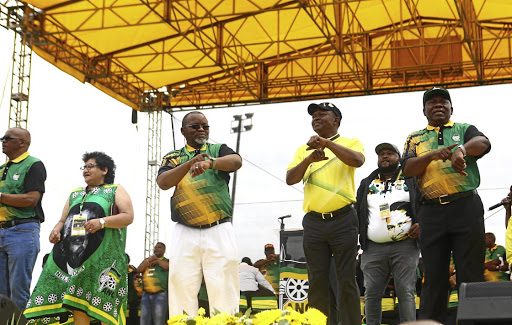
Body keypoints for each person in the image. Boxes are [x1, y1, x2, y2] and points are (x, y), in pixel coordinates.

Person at [402, 87, 491, 324]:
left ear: (452, 108)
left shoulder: (464, 129)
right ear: (424, 110)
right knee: (434, 275)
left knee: (470, 273)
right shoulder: (414, 138)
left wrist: (460, 149)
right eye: (432, 102)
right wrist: (431, 155)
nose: (438, 105)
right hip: (431, 212)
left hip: (466, 207)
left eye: (444, 102)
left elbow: (483, 142)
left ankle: (476, 321)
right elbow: (408, 168)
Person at [24, 151, 134, 325]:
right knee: (77, 304)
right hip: (76, 260)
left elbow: (128, 216)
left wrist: (102, 222)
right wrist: (56, 230)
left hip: (104, 260)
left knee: (105, 304)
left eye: (91, 166)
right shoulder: (75, 194)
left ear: (105, 170)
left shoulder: (114, 190)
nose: (85, 170)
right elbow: (63, 220)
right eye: (84, 167)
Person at [157, 111, 242, 317]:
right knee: (181, 284)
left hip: (219, 227)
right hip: (185, 231)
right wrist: (190, 163)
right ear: (183, 131)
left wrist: (209, 162)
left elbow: (236, 161)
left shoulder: (217, 149)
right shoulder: (173, 156)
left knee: (223, 285)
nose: (202, 129)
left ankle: (225, 322)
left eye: (205, 126)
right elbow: (163, 182)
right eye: (195, 126)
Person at [286, 102, 364, 324]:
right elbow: (291, 178)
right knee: (317, 279)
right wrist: (309, 158)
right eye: (314, 116)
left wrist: (327, 144)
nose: (316, 118)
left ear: (336, 120)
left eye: (322, 114)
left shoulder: (350, 142)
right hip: (314, 222)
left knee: (346, 279)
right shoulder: (303, 149)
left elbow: (357, 161)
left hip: (344, 219)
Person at [356, 142, 421, 325]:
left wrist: (421, 223)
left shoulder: (411, 179)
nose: (385, 156)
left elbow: (424, 205)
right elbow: (358, 212)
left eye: (390, 153)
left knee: (405, 291)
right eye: (381, 154)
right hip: (373, 248)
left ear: (399, 158)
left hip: (405, 245)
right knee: (372, 293)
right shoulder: (367, 182)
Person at [0, 127, 46, 311]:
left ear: (22, 143)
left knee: (18, 289)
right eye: (2, 138)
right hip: (2, 230)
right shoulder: (3, 168)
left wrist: (1, 196)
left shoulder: (33, 164)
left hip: (22, 230)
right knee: (2, 292)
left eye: (7, 138)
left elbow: (32, 199)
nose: (3, 141)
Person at [136, 242, 169, 325]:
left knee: (158, 321)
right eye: (155, 247)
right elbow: (139, 270)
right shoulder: (148, 261)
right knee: (144, 321)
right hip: (146, 295)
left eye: (159, 247)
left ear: (164, 250)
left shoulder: (166, 261)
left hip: (160, 295)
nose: (156, 249)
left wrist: (157, 261)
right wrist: (148, 260)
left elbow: (169, 267)